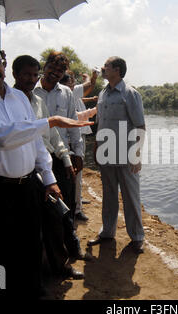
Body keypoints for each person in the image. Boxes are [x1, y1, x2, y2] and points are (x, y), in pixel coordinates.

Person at [0, 38, 91, 299]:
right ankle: (0, 293)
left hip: (28, 185)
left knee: (30, 243)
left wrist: (49, 178)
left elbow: (35, 141)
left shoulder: (19, 97)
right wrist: (49, 121)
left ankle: (33, 290)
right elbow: (0, 136)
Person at [12, 54, 85, 280]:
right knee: (30, 226)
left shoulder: (40, 101)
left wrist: (67, 157)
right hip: (21, 169)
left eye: (34, 75)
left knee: (58, 216)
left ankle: (60, 266)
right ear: (15, 75)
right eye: (27, 74)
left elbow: (52, 134)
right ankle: (33, 276)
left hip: (46, 164)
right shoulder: (7, 100)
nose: (31, 79)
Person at [88, 56, 146, 254]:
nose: (103, 68)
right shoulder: (103, 94)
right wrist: (96, 147)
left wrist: (136, 155)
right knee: (109, 195)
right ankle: (107, 232)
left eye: (107, 66)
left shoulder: (130, 94)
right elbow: (100, 124)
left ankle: (137, 237)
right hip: (106, 154)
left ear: (118, 70)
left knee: (131, 196)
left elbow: (140, 126)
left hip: (126, 154)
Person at [34, 52, 84, 222]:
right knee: (41, 202)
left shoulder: (66, 93)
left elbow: (73, 125)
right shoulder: (30, 90)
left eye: (61, 70)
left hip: (62, 157)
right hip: (36, 157)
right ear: (45, 67)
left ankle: (68, 239)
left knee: (65, 202)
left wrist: (78, 153)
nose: (55, 72)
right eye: (52, 68)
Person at [65, 70, 98, 221]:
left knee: (77, 173)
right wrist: (96, 110)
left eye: (73, 79)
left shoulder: (72, 93)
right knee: (74, 173)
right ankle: (75, 209)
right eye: (70, 80)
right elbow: (75, 117)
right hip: (71, 137)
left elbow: (85, 93)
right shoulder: (67, 93)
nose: (73, 82)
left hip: (78, 135)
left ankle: (77, 202)